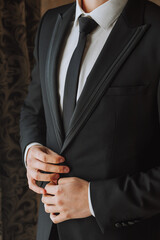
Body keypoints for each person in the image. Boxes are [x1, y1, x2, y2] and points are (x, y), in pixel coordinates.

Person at [19, 0, 160, 239]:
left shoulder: (156, 28)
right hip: (49, 230)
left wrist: (94, 199)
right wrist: (31, 151)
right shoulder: (51, 23)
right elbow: (34, 109)